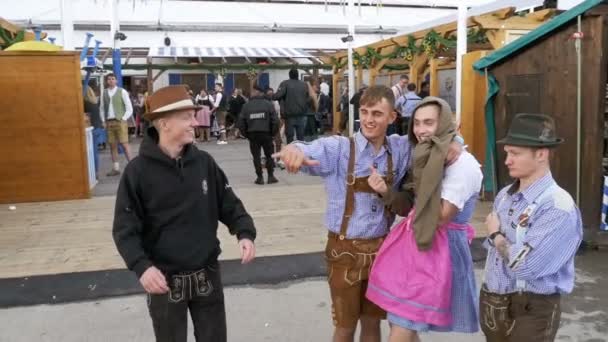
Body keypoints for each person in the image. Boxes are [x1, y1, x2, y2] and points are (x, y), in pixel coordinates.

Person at [274, 86, 462, 342]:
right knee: (344, 326)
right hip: (344, 252)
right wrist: (292, 151)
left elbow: (431, 138)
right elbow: (306, 148)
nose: (369, 120)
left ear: (392, 117)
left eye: (377, 113)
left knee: (373, 322)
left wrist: (454, 142)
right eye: (364, 112)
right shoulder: (340, 148)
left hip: (382, 250)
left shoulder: (401, 148)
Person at [112, 85, 257, 342]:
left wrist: (244, 232)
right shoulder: (137, 173)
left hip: (207, 274)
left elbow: (229, 203)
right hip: (164, 280)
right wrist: (142, 268)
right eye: (187, 117)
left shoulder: (204, 163)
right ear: (164, 123)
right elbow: (124, 230)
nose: (195, 122)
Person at [366, 97, 482, 342]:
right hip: (415, 243)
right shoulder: (429, 153)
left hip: (437, 249)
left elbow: (439, 217)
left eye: (429, 122)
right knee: (403, 319)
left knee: (403, 323)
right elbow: (411, 201)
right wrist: (386, 191)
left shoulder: (463, 165)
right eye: (417, 123)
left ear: (446, 125)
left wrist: (444, 152)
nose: (421, 130)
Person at [480, 113, 582, 342]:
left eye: (515, 153)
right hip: (494, 302)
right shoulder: (505, 195)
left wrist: (496, 235)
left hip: (531, 308)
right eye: (507, 153)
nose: (507, 160)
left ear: (541, 154)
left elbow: (525, 266)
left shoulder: (558, 206)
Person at [237, 84, 279, 185]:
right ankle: (270, 176)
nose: (251, 93)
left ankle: (259, 177)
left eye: (253, 91)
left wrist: (246, 134)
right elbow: (275, 121)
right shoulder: (268, 104)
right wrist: (272, 133)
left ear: (257, 92)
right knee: (269, 155)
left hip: (253, 134)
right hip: (266, 133)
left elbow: (241, 122)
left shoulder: (246, 106)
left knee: (256, 156)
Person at [100, 73, 134, 176]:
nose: (111, 81)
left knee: (124, 144)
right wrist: (103, 120)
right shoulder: (104, 93)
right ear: (107, 81)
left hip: (120, 121)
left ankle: (133, 167)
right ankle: (116, 168)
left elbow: (129, 108)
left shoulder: (122, 91)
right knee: (112, 145)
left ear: (116, 81)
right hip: (109, 122)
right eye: (109, 79)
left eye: (113, 79)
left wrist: (123, 119)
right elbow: (101, 108)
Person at [272, 68, 309, 143]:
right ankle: (300, 153)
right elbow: (308, 98)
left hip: (289, 116)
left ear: (289, 75)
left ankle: (290, 153)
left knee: (290, 138)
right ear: (297, 75)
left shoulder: (285, 83)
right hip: (302, 115)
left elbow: (277, 96)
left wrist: (271, 95)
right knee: (301, 138)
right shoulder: (304, 84)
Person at [83, 85, 104, 178]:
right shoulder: (94, 102)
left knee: (89, 152)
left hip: (91, 129)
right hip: (97, 128)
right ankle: (96, 172)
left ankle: (92, 173)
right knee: (94, 151)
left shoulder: (84, 104)